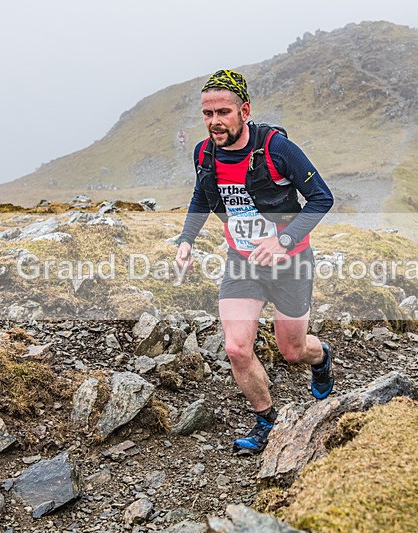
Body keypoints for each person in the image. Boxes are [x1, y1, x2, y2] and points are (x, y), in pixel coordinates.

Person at [175, 69, 335, 455]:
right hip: (242, 262)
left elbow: (321, 199)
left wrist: (283, 240)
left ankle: (323, 357)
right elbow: (201, 197)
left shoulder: (277, 149)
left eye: (223, 112)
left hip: (291, 263)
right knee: (236, 348)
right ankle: (267, 421)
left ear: (244, 110)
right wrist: (186, 241)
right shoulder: (204, 153)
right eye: (207, 113)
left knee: (292, 351)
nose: (215, 121)